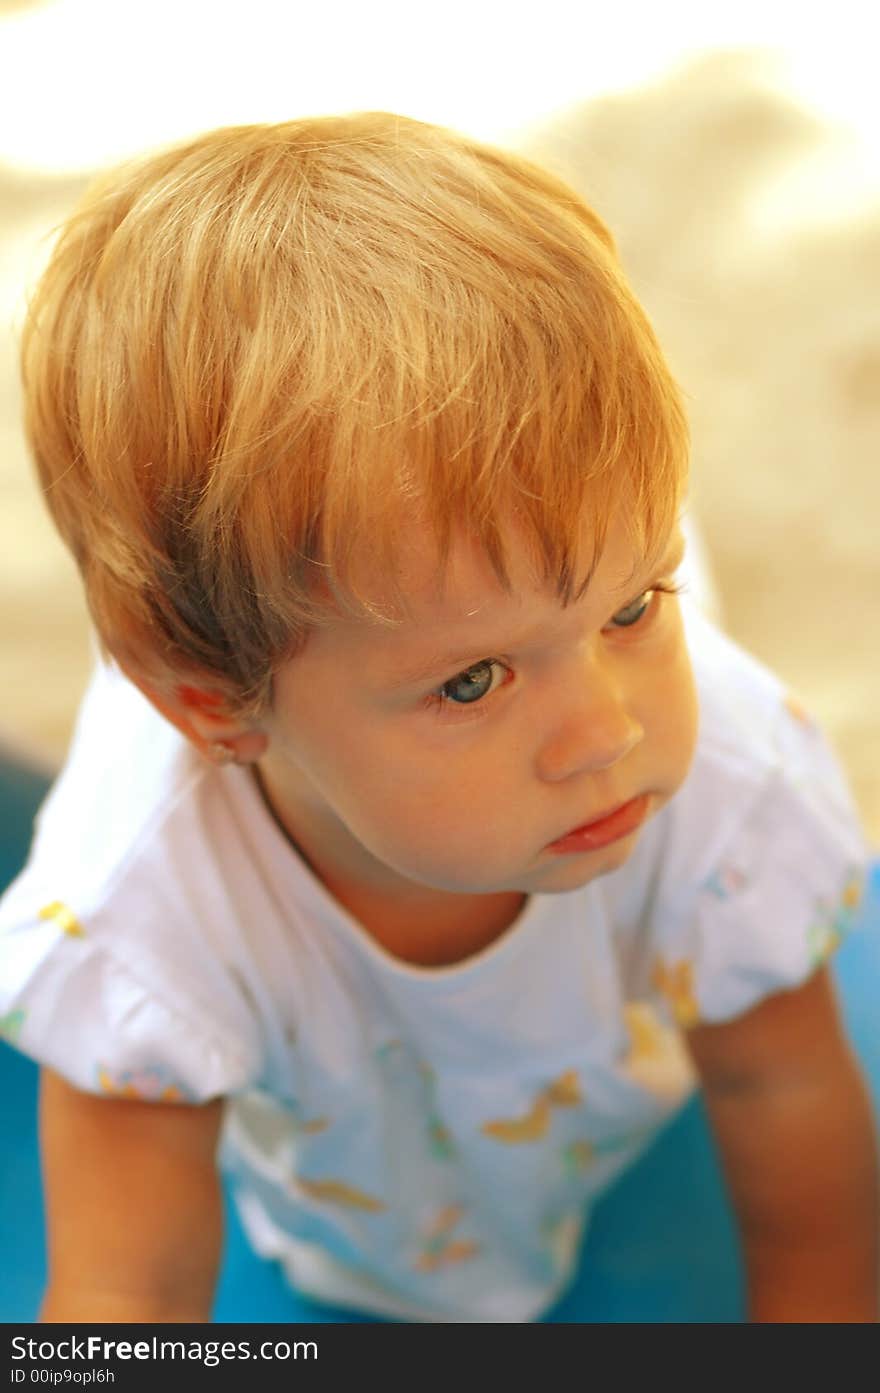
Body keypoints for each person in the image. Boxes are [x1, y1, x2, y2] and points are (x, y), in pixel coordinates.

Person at [0, 112, 876, 1324]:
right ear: (211, 707)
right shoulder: (142, 917)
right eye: (472, 682)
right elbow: (121, 1290)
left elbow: (786, 1094)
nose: (606, 732)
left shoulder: (716, 768)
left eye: (637, 605)